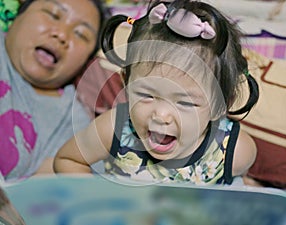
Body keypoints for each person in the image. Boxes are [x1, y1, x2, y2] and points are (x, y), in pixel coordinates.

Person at [54, 0, 259, 186]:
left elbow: (238, 188)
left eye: (185, 103)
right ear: (127, 83)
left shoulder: (235, 151)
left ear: (220, 106)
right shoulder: (114, 128)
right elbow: (68, 160)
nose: (161, 115)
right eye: (147, 95)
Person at [0, 0, 107, 182]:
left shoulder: (72, 122)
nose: (61, 35)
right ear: (19, 15)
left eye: (81, 34)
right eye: (53, 15)